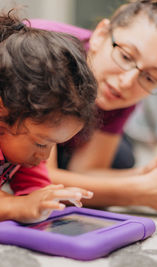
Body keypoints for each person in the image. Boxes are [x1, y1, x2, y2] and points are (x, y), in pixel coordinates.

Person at [31, 0, 157, 220]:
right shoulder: (52, 55)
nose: (128, 81)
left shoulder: (126, 87)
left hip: (62, 144)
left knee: (122, 158)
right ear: (100, 34)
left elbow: (85, 169)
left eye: (150, 77)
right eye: (126, 56)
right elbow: (40, 181)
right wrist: (141, 192)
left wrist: (154, 177)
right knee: (123, 155)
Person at [0, 9, 97, 223]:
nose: (45, 157)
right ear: (3, 109)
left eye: (53, 145)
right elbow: (19, 204)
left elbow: (35, 189)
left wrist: (43, 200)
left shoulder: (25, 150)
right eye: (42, 143)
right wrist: (15, 206)